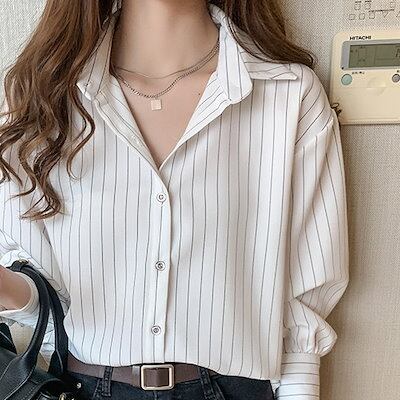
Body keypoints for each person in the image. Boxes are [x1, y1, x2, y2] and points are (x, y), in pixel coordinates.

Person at [0, 0, 349, 399]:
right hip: (84, 385)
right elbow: (45, 306)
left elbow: (304, 298)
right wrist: (8, 289)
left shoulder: (288, 93)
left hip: (234, 388)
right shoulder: (38, 99)